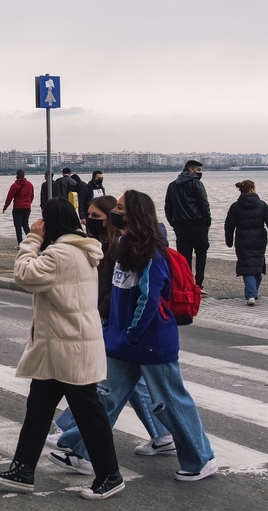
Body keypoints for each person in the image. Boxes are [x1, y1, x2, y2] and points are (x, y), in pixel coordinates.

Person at [49, 190, 218, 483]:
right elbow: (120, 294)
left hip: (150, 341)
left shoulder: (151, 251)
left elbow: (150, 297)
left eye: (119, 207)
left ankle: (201, 459)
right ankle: (79, 449)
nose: (115, 210)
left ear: (134, 214)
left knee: (172, 401)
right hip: (123, 340)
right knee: (105, 398)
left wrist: (132, 334)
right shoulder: (123, 245)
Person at [0, 198, 123, 500]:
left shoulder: (61, 252)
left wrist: (32, 238)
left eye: (43, 219)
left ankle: (110, 475)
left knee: (89, 414)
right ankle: (22, 470)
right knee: (39, 410)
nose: (39, 223)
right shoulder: (81, 249)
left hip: (69, 345)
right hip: (61, 344)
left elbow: (24, 275)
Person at [48, 195, 175, 461]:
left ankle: (73, 436)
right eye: (88, 215)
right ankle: (75, 435)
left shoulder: (124, 246)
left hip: (114, 323)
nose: (89, 220)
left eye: (97, 216)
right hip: (113, 323)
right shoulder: (108, 244)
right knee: (113, 384)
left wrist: (104, 316)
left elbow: (129, 292)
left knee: (104, 383)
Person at [224, 180, 268, 306]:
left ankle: (251, 294)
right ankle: (252, 293)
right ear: (252, 189)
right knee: (257, 264)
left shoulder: (235, 206)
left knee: (247, 266)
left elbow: (229, 225)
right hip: (259, 239)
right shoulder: (262, 205)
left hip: (242, 239)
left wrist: (228, 241)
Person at [164, 160, 212, 294]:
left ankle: (186, 284)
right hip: (197, 224)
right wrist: (207, 221)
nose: (200, 173)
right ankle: (199, 284)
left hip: (180, 226)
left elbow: (168, 206)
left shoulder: (172, 185)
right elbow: (204, 204)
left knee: (184, 258)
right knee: (201, 254)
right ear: (191, 170)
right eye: (198, 170)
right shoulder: (196, 183)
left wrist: (173, 222)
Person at [2, 169, 34, 247]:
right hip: (27, 207)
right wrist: (28, 204)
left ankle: (20, 243)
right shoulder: (30, 185)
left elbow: (9, 198)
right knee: (25, 224)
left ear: (16, 176)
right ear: (24, 175)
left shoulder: (14, 186)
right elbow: (32, 196)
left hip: (18, 207)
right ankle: (32, 241)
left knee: (18, 226)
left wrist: (5, 207)